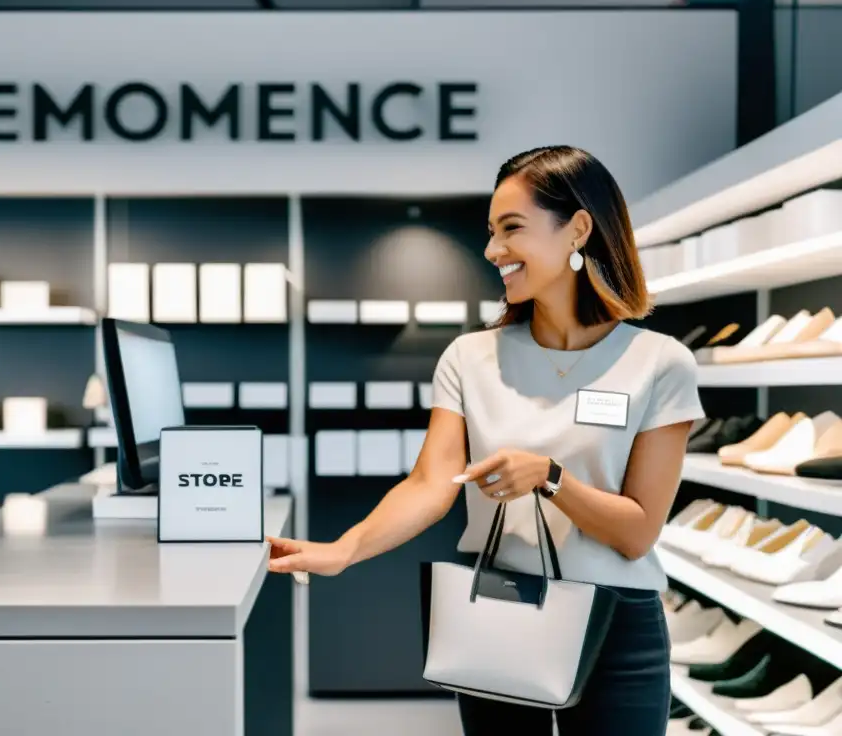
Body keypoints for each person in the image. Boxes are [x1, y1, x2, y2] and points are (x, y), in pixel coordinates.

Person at [267, 145, 704, 735]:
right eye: (491, 231)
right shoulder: (470, 358)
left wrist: (550, 478)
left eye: (512, 229)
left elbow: (637, 532)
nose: (493, 250)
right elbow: (430, 484)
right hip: (499, 606)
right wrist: (345, 549)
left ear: (578, 229)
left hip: (617, 625)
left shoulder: (660, 363)